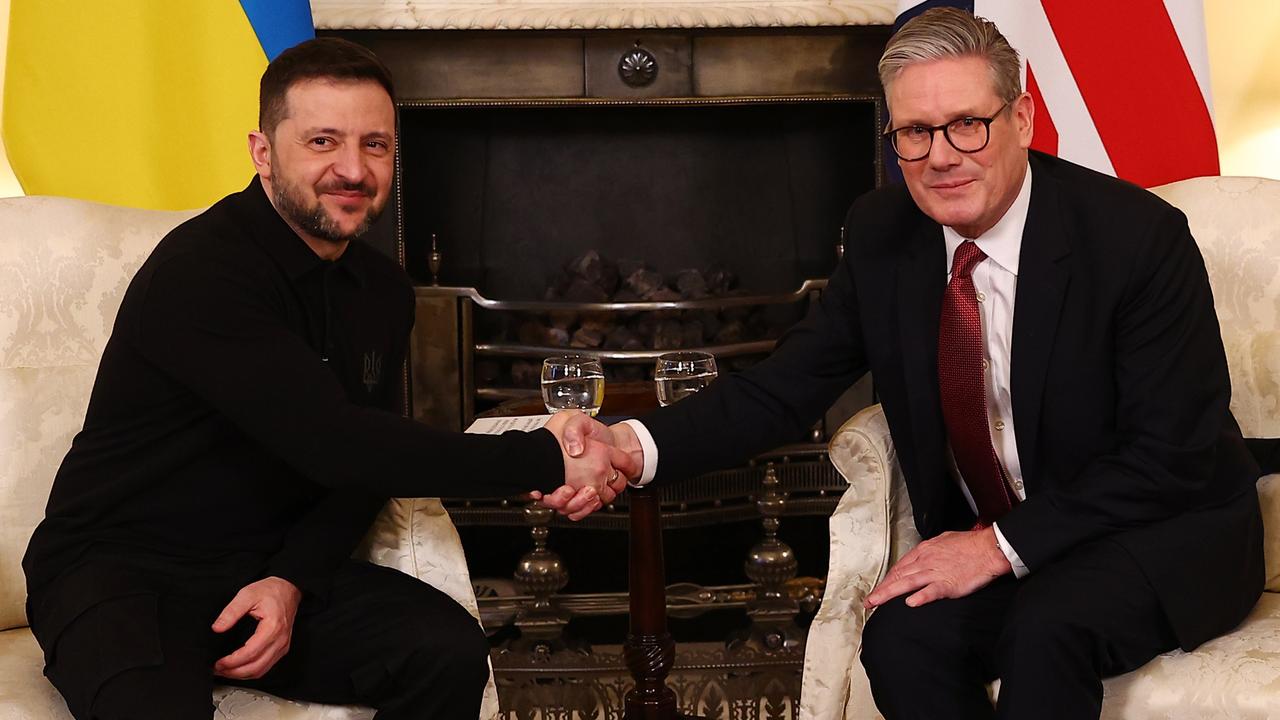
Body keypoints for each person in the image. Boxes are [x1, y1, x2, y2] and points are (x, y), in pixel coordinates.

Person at [551, 8, 1263, 719]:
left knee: (1048, 629)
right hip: (1019, 546)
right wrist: (629, 444)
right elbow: (784, 388)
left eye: (965, 124)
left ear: (1022, 119)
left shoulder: (1137, 240)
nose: (942, 156)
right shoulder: (883, 233)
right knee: (902, 638)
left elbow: (1169, 457)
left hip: (1160, 532)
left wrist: (994, 547)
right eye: (915, 133)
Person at [23, 38, 633, 720]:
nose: (352, 168)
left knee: (445, 650)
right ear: (262, 152)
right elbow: (338, 444)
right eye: (322, 141)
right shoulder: (203, 273)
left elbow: (360, 470)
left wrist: (290, 580)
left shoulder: (382, 290)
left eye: (375, 145)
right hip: (117, 572)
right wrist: (546, 454)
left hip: (258, 568)